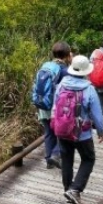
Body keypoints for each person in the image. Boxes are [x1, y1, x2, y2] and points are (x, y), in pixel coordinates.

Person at [53, 55, 103, 204]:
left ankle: (68, 189)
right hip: (82, 133)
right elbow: (96, 114)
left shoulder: (62, 85)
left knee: (67, 159)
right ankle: (75, 190)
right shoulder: (89, 89)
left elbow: (55, 107)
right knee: (88, 159)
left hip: (62, 130)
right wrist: (101, 131)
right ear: (85, 71)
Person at [32, 41, 71, 169]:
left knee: (49, 132)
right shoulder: (64, 70)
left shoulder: (45, 66)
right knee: (63, 132)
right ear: (67, 55)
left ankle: (49, 159)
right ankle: (55, 154)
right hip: (56, 107)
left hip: (43, 105)